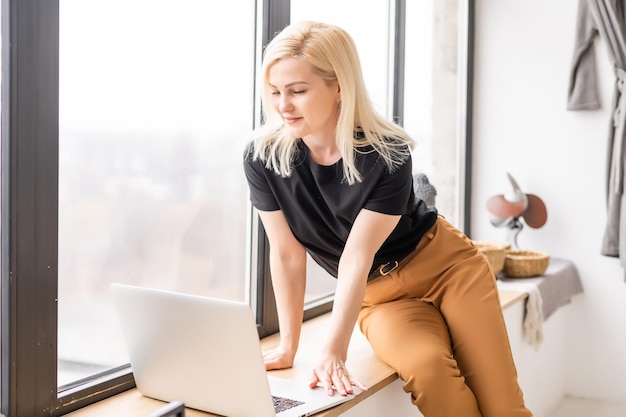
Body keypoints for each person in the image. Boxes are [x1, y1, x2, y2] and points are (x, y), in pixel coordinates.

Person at [243, 20, 533, 417]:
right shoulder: (263, 158)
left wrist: (333, 350)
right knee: (430, 373)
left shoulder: (387, 152)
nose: (282, 105)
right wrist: (289, 345)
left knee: (502, 406)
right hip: (380, 298)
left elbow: (356, 255)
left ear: (339, 86)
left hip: (447, 267)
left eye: (298, 91)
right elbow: (287, 254)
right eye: (275, 92)